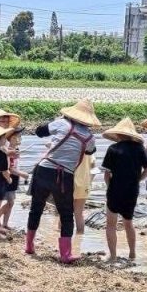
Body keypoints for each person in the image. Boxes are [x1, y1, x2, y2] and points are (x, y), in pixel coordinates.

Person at [25, 99, 99, 263]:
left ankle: (29, 246)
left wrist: (58, 121)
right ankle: (65, 254)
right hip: (65, 176)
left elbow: (39, 131)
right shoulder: (89, 137)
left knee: (36, 208)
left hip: (44, 170)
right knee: (66, 214)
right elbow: (91, 151)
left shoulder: (61, 123)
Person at [101, 118, 147, 263]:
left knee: (111, 224)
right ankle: (133, 254)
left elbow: (106, 174)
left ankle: (113, 256)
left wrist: (109, 186)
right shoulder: (139, 148)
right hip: (132, 190)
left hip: (115, 189)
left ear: (118, 134)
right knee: (128, 223)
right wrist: (138, 180)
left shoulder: (113, 149)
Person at [72, 152, 94, 235]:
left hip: (70, 181)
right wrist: (89, 182)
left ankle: (61, 235)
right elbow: (93, 168)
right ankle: (79, 236)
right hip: (84, 184)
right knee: (79, 214)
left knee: (64, 212)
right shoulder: (89, 151)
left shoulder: (71, 147)